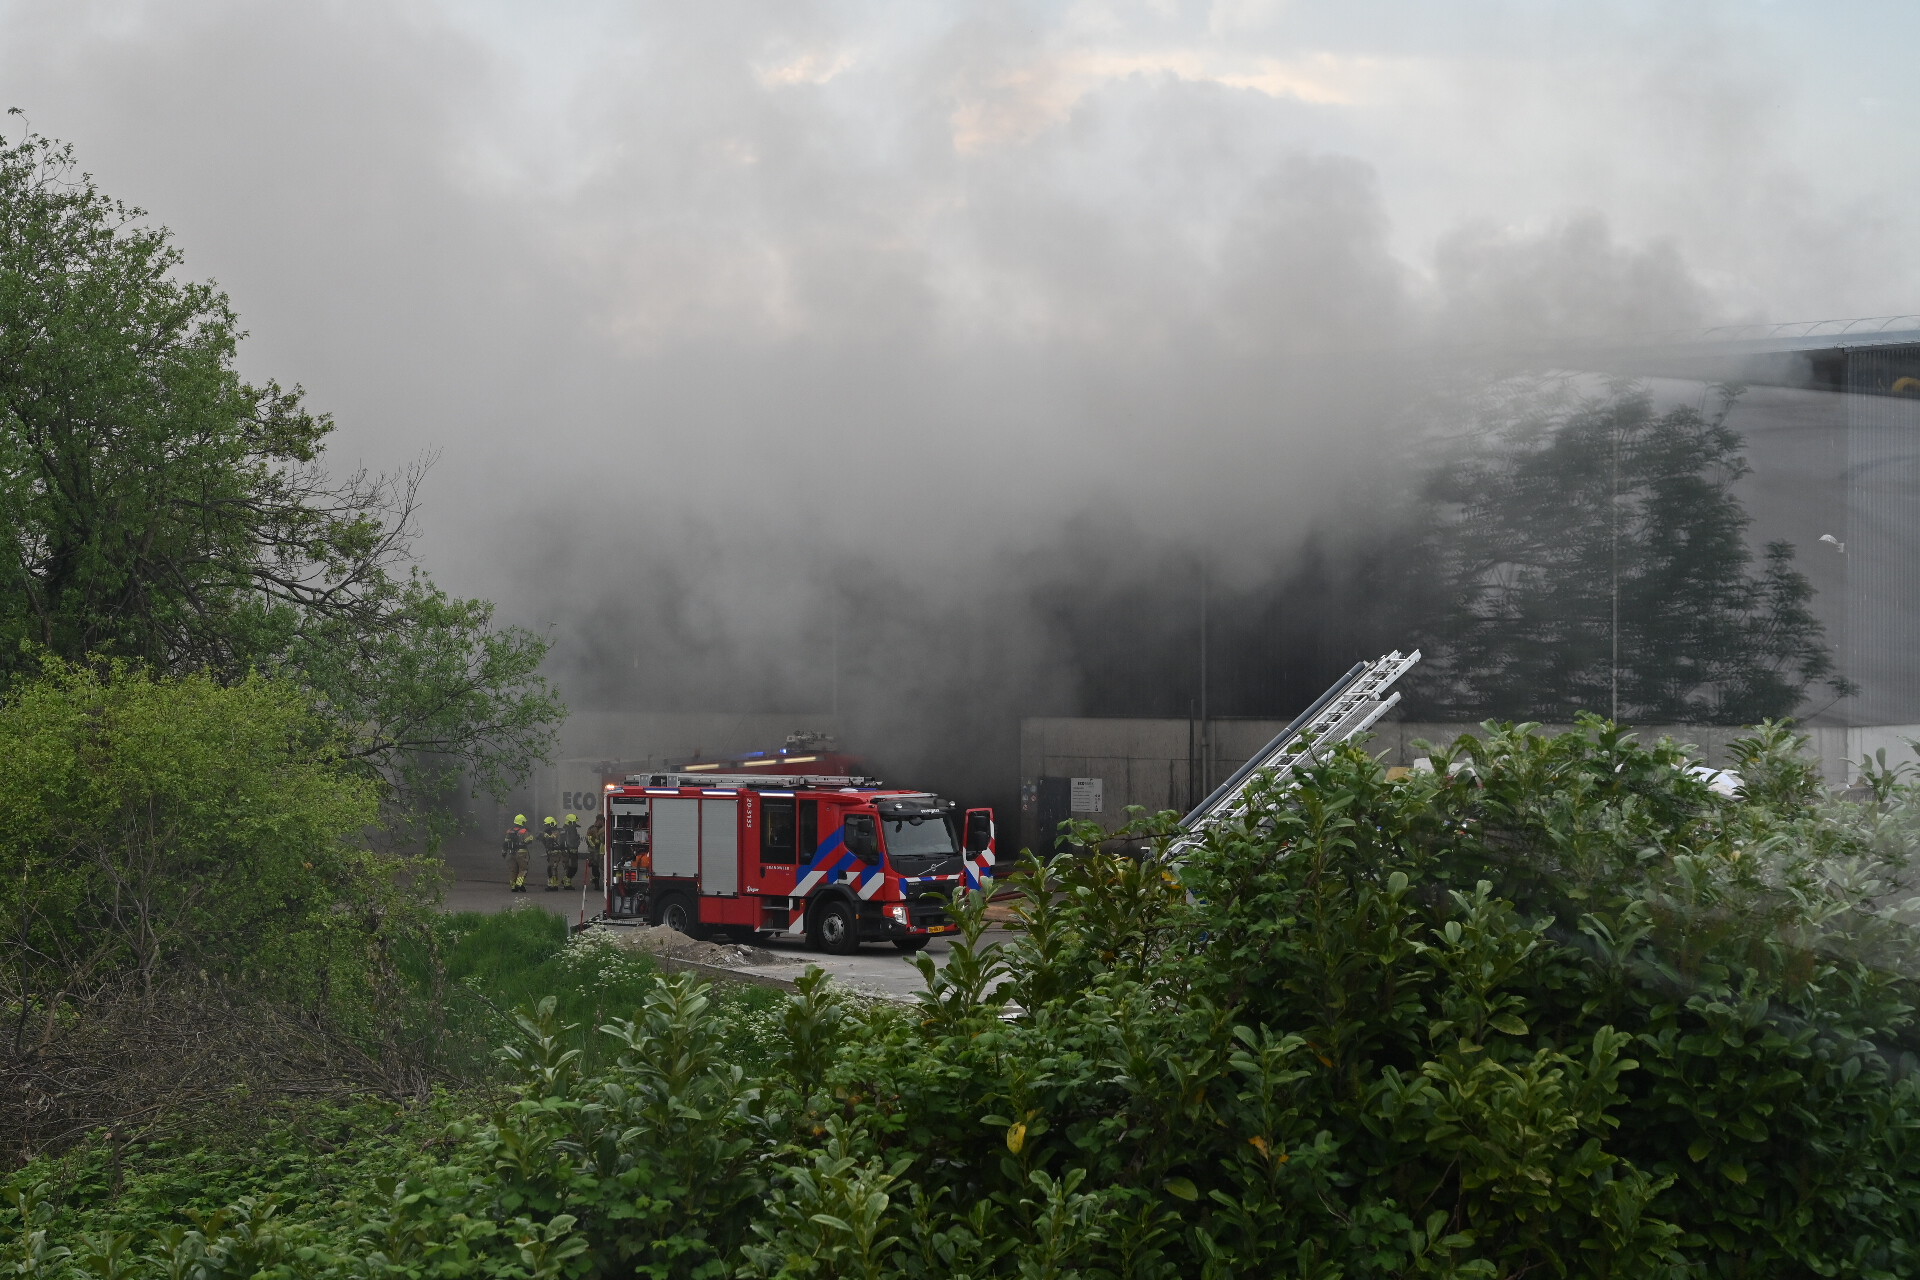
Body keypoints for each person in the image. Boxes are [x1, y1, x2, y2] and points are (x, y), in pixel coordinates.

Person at [502, 814, 531, 893]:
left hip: (511, 853)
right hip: (521, 853)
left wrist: (504, 852)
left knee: (513, 870)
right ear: (522, 822)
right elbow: (528, 840)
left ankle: (513, 886)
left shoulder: (509, 831)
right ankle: (519, 883)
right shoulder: (524, 831)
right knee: (523, 869)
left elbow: (505, 843)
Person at [559, 813, 583, 889]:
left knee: (572, 868)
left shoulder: (572, 829)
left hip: (572, 851)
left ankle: (566, 881)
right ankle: (567, 883)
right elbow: (566, 842)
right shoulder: (566, 831)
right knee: (570, 867)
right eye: (574, 822)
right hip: (568, 851)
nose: (575, 824)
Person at [540, 816, 562, 891]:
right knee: (552, 868)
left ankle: (552, 885)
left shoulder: (556, 832)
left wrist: (545, 835)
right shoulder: (550, 832)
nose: (546, 827)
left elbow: (552, 839)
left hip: (556, 853)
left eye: (547, 825)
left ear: (551, 824)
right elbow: (547, 843)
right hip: (551, 853)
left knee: (551, 868)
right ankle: (554, 885)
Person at [585, 813, 605, 890]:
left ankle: (605, 882)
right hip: (594, 852)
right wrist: (595, 847)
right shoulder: (592, 829)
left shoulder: (604, 828)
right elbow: (589, 840)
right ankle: (596, 883)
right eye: (600, 820)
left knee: (603, 867)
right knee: (594, 867)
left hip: (602, 852)